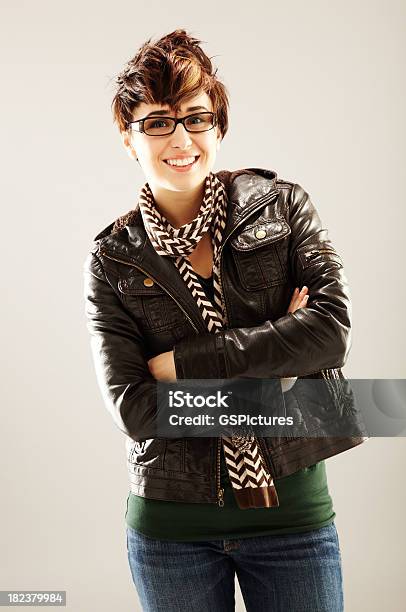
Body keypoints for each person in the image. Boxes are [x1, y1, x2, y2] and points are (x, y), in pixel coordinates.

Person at [83, 29, 366, 612]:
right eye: (158, 122)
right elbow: (135, 410)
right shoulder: (112, 258)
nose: (180, 138)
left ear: (218, 127)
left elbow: (331, 331)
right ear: (127, 136)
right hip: (170, 534)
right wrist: (277, 376)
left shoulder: (281, 208)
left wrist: (184, 365)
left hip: (294, 520)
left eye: (196, 117)